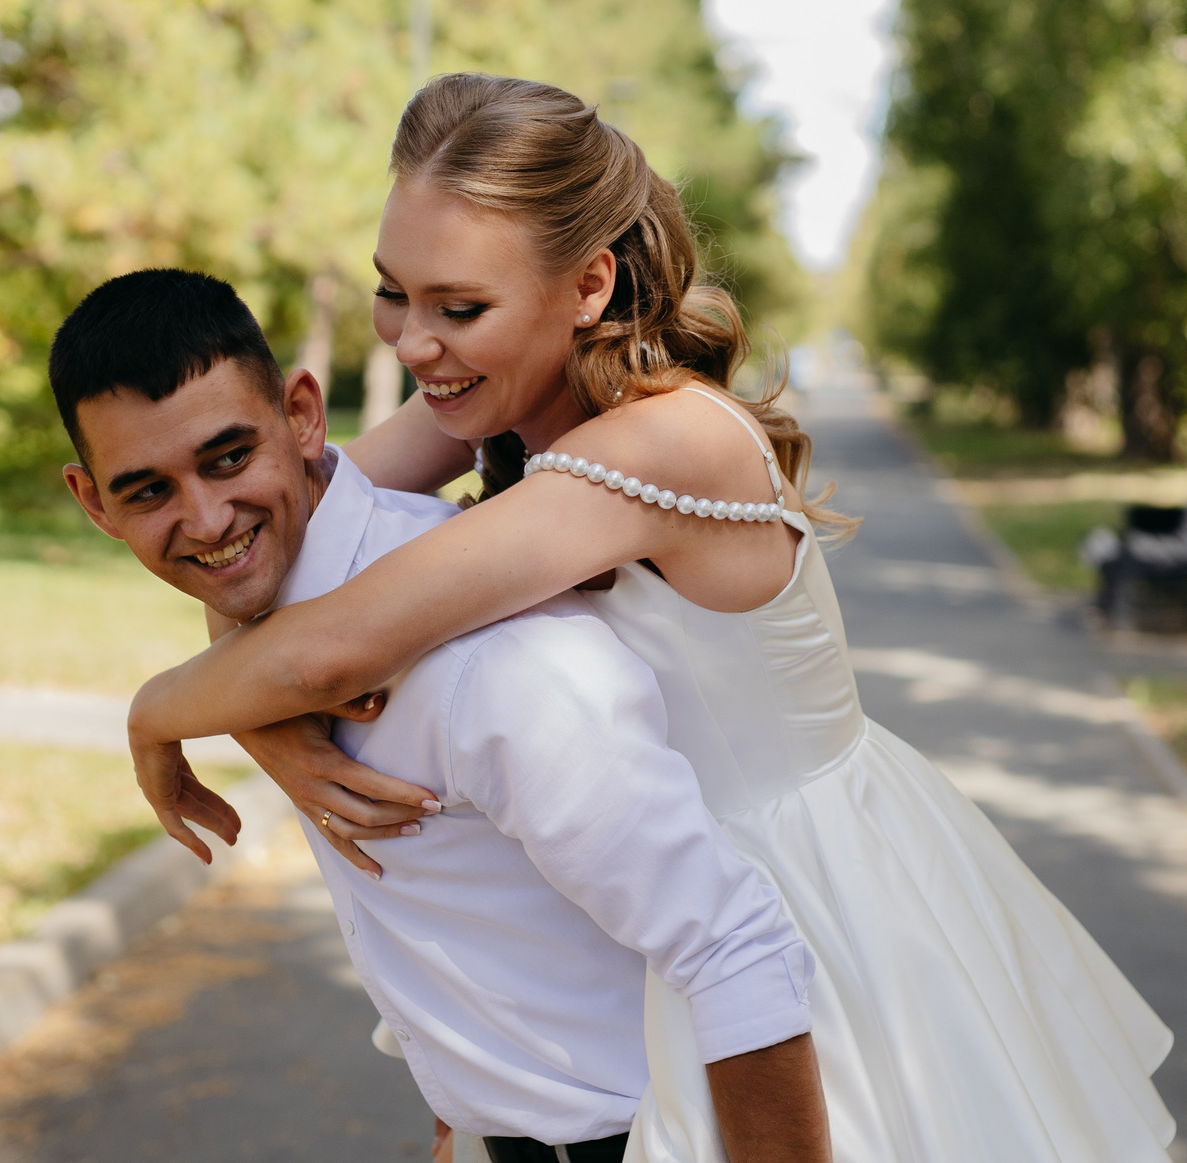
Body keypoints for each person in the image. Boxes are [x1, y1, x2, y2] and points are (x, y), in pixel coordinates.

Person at [127, 74, 1180, 1162]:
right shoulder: (485, 391)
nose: (412, 341)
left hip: (799, 915)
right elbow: (276, 555)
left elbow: (333, 644)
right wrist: (261, 716)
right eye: (394, 293)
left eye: (459, 306)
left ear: (586, 286)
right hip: (637, 918)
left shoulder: (667, 441)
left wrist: (160, 716)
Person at [48, 269, 831, 1163]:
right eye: (148, 490)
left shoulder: (493, 666)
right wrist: (463, 1091)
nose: (206, 516)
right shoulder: (262, 653)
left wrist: (160, 712)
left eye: (230, 456)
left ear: (303, 415)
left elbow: (737, 950)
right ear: (92, 501)